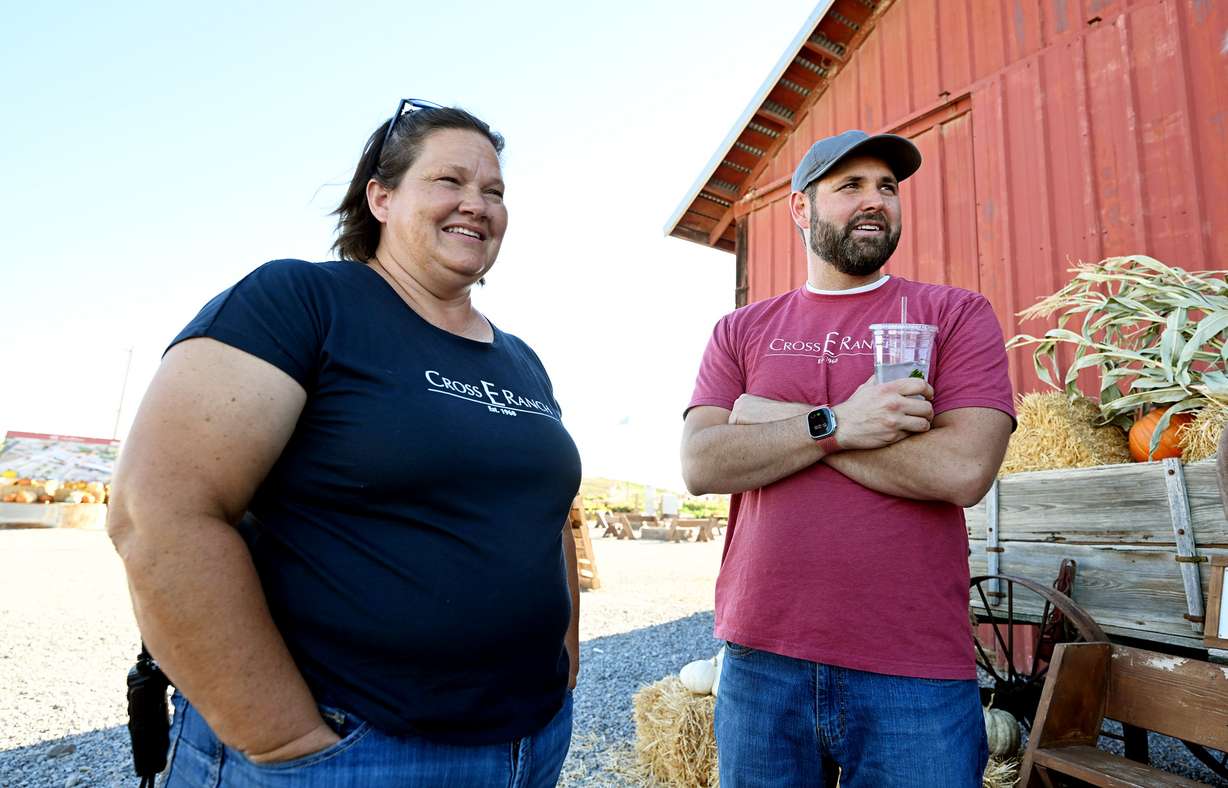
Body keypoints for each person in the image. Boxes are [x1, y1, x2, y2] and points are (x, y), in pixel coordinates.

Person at [107, 99, 581, 787]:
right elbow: (158, 512)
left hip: (528, 743)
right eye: (449, 181)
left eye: (495, 191)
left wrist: (564, 664)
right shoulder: (301, 302)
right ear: (380, 197)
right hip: (354, 748)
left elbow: (546, 516)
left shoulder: (521, 361)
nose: (477, 204)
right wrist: (284, 740)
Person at [680, 130, 1016, 787]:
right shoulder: (741, 329)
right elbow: (701, 464)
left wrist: (779, 422)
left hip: (913, 666)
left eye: (887, 187)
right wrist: (840, 425)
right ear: (801, 209)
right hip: (760, 658)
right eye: (850, 186)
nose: (875, 201)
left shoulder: (953, 315)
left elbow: (962, 471)